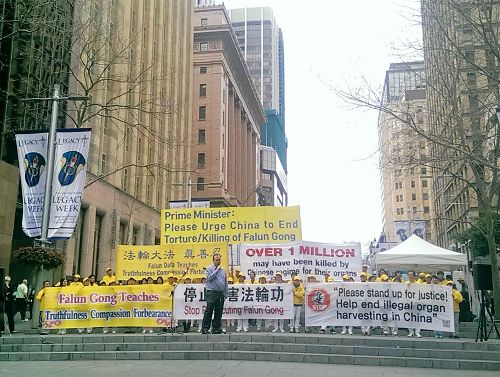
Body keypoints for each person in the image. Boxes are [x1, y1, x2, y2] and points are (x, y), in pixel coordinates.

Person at [201, 253, 228, 334]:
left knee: (218, 311)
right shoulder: (208, 269)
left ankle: (216, 328)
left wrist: (226, 293)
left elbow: (225, 282)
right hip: (212, 292)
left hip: (220, 293)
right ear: (213, 260)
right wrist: (216, 270)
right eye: (217, 260)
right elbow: (209, 278)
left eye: (219, 260)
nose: (218, 261)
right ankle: (205, 328)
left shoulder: (223, 270)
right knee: (209, 310)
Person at [406, 270, 421, 337]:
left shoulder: (418, 284)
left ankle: (417, 332)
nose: (410, 276)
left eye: (411, 275)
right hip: (408, 303)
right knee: (409, 317)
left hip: (416, 303)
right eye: (409, 275)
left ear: (414, 276)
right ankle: (411, 331)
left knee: (417, 317)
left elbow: (421, 293)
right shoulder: (406, 283)